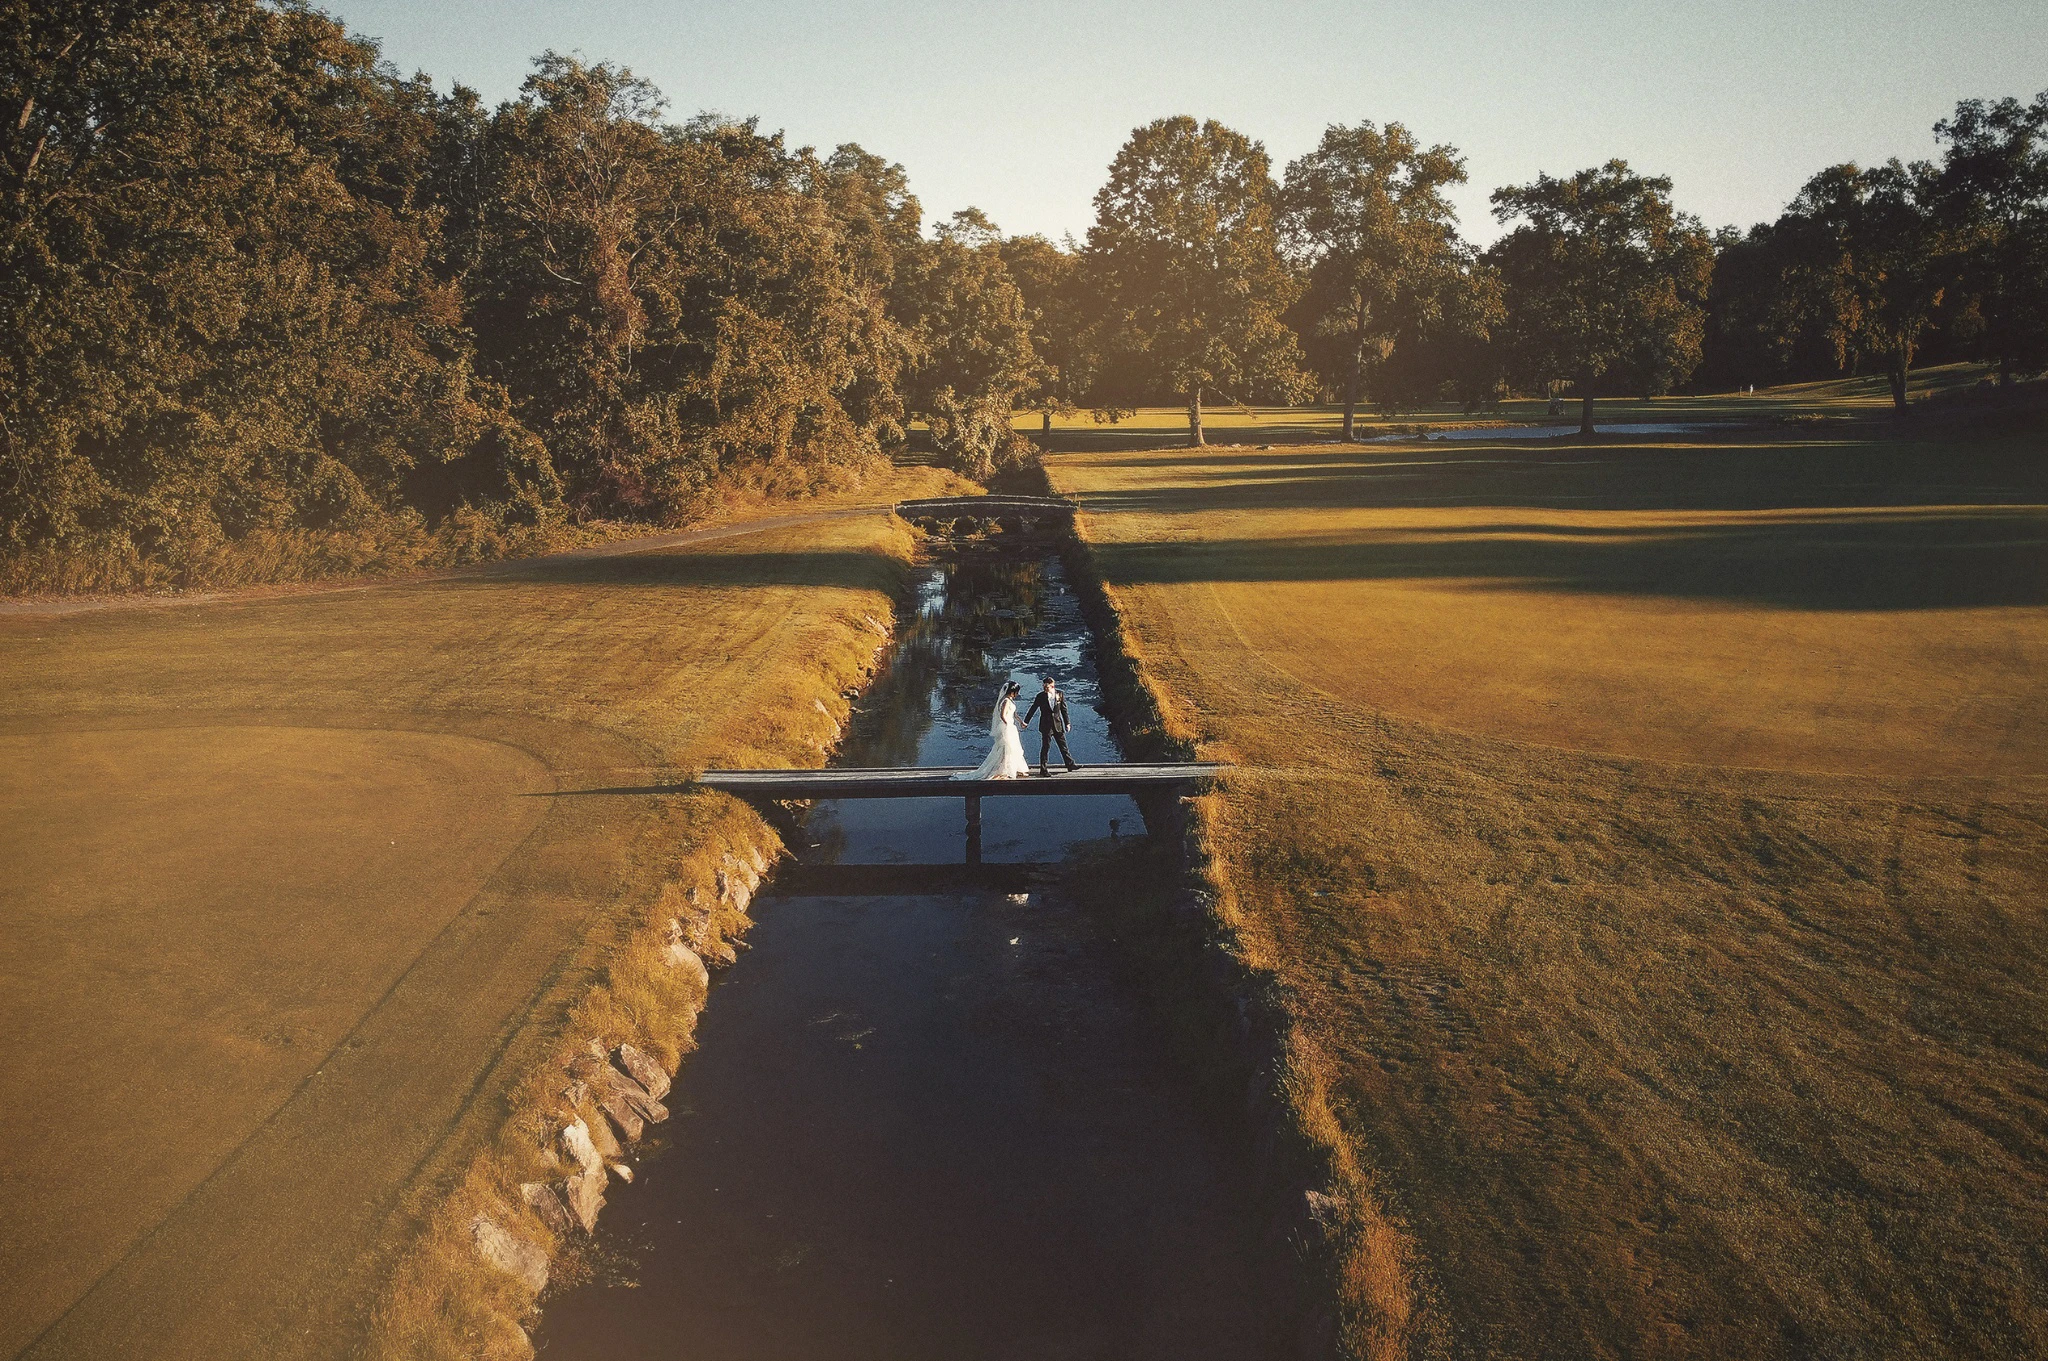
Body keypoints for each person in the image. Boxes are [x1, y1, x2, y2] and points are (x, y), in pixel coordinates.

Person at [955, 680, 1029, 780]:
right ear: (1013, 691)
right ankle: (1003, 770)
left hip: (1011, 727)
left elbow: (1014, 714)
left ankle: (1014, 768)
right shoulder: (1006, 701)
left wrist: (1021, 722)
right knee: (1006, 748)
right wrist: (1008, 724)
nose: (1017, 694)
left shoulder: (1010, 700)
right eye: (1017, 692)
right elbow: (1002, 715)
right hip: (1007, 728)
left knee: (1013, 748)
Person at [1022, 676, 1079, 777]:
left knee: (1063, 746)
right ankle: (1043, 769)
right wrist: (1026, 722)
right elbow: (1033, 709)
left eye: (1047, 687)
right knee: (1046, 747)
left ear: (1052, 686)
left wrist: (1067, 723)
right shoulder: (1040, 696)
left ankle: (1070, 764)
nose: (1045, 689)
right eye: (1044, 686)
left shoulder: (1060, 694)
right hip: (1046, 725)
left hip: (1057, 724)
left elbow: (1063, 710)